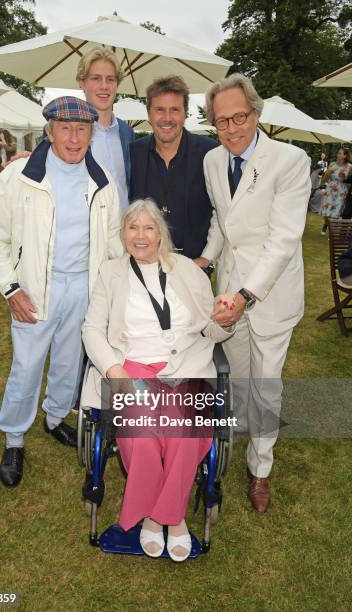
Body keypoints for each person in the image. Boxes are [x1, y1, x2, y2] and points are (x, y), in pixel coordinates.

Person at [0, 96, 123, 488]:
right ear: (49, 131)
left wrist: (111, 293)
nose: (73, 138)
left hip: (84, 287)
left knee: (69, 360)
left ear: (92, 133)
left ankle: (56, 417)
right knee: (26, 365)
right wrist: (11, 289)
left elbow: (113, 243)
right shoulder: (20, 174)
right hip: (34, 289)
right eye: (65, 129)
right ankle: (14, 438)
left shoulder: (103, 179)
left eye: (82, 130)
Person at [82, 199, 234, 562]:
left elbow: (210, 330)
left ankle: (170, 516)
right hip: (132, 367)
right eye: (133, 228)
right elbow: (92, 329)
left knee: (185, 433)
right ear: (123, 234)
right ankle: (155, 515)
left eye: (149, 228)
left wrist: (224, 320)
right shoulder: (110, 273)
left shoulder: (188, 270)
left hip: (187, 365)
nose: (140, 236)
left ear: (161, 234)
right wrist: (113, 370)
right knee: (143, 435)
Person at [202, 73, 311, 513]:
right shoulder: (213, 162)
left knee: (266, 386)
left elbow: (284, 239)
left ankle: (260, 469)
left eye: (239, 117)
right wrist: (206, 261)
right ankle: (245, 432)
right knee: (240, 377)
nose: (231, 129)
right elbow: (221, 223)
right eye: (221, 121)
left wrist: (246, 295)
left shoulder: (290, 160)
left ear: (256, 112)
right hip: (230, 289)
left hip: (269, 294)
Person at [129, 76, 218, 270]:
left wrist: (206, 259)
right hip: (144, 267)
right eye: (159, 110)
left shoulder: (210, 153)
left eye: (175, 110)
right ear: (149, 114)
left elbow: (221, 212)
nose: (167, 118)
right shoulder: (133, 153)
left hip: (195, 269)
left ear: (185, 113)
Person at [76, 46, 135, 212]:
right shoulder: (69, 133)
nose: (104, 86)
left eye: (110, 79)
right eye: (96, 78)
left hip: (123, 232)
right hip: (87, 232)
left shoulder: (127, 133)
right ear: (82, 83)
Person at [319, 148, 352, 234]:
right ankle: (326, 224)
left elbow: (349, 180)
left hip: (341, 190)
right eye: (338, 153)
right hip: (330, 189)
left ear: (345, 156)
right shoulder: (332, 164)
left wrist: (345, 176)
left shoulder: (349, 166)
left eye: (340, 153)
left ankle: (332, 232)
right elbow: (324, 179)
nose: (338, 155)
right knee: (326, 212)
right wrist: (328, 173)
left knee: (337, 211)